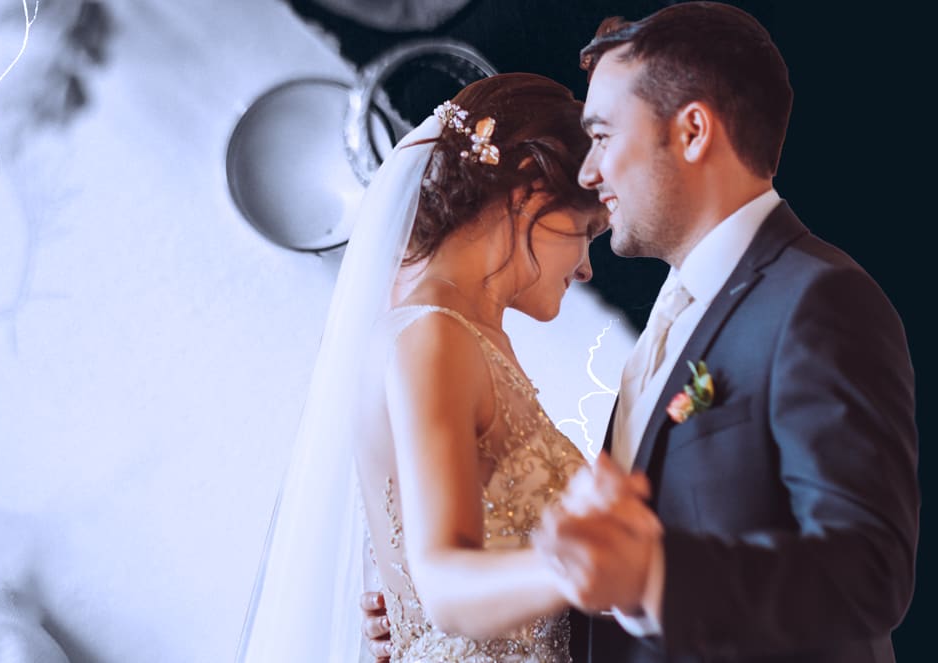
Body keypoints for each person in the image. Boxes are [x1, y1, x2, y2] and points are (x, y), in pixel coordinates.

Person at [365, 3, 918, 662]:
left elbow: (866, 574)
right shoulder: (675, 308)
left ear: (691, 131)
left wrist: (654, 574)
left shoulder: (817, 299)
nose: (588, 173)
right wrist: (450, 627)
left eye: (601, 136)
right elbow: (612, 567)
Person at [236, 72, 637, 662]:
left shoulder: (469, 336)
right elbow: (445, 588)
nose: (585, 268)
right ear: (529, 189)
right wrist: (600, 567)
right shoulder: (432, 337)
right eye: (587, 231)